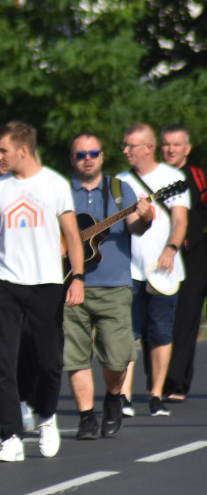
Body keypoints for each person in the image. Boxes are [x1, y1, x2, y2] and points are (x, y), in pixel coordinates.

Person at [0, 121, 84, 462]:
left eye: (2, 150)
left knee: (49, 362)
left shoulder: (55, 184)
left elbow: (73, 236)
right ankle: (10, 438)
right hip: (5, 285)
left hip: (47, 284)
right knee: (2, 363)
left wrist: (77, 277)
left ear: (23, 150)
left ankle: (47, 418)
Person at [63, 133, 152, 440]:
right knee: (75, 355)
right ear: (72, 159)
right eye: (80, 154)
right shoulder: (61, 191)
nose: (87, 158)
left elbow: (137, 227)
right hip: (72, 285)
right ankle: (86, 417)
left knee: (117, 356)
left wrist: (146, 216)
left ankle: (113, 398)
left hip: (114, 285)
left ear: (101, 156)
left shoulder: (119, 189)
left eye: (93, 152)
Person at [117, 123, 190, 417]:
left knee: (160, 331)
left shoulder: (172, 178)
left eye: (130, 146)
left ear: (148, 148)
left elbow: (180, 220)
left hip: (162, 269)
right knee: (126, 333)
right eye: (124, 145)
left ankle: (156, 394)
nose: (125, 151)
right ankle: (123, 395)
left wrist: (171, 249)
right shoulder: (119, 181)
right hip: (127, 268)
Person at [159, 123, 206, 402]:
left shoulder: (198, 176)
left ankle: (176, 383)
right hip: (157, 258)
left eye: (177, 144)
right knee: (159, 319)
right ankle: (159, 379)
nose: (171, 149)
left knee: (186, 319)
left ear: (187, 148)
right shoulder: (152, 176)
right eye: (166, 144)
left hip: (193, 257)